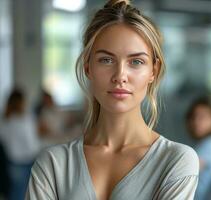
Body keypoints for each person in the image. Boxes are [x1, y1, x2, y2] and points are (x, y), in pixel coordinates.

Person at [25, 0, 199, 199]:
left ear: (154, 70)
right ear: (88, 67)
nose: (120, 75)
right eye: (106, 60)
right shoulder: (54, 164)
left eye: (136, 62)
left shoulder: (175, 160)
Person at [0, 88, 40, 200]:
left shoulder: (4, 120)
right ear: (22, 102)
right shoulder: (26, 120)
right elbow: (32, 146)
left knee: (14, 194)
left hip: (11, 163)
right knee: (24, 194)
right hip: (26, 163)